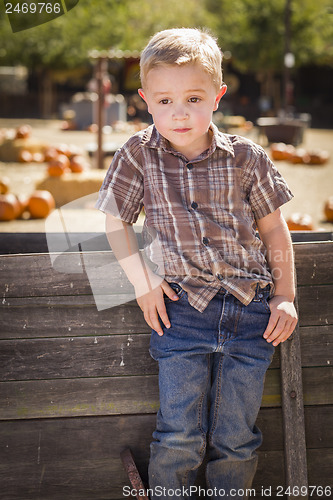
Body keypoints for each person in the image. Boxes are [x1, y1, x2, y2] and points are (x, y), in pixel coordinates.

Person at [96, 28, 298, 499]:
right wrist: (143, 282)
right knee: (180, 435)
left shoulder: (247, 158)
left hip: (252, 313)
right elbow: (115, 224)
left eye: (193, 97)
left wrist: (286, 296)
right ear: (145, 99)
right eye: (164, 100)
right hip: (181, 313)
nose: (179, 112)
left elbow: (274, 230)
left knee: (237, 439)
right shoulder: (137, 155)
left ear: (218, 96)